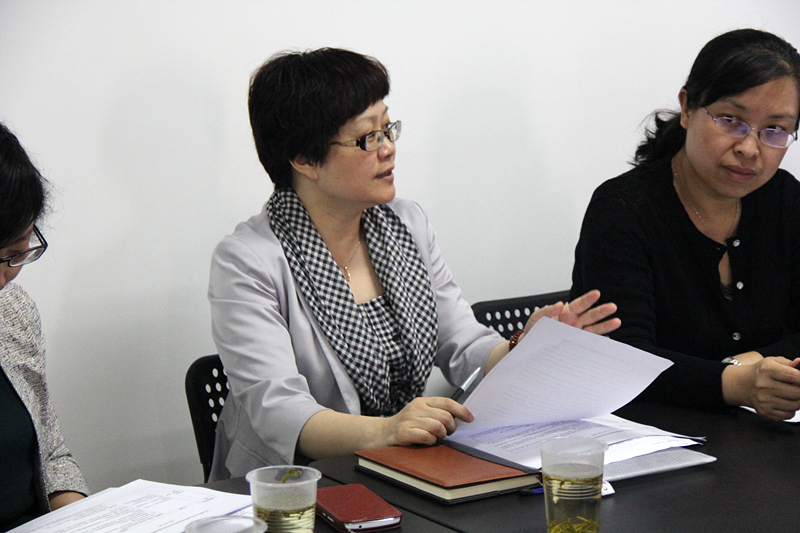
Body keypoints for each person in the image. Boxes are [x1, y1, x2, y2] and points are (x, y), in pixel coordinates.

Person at [208, 47, 620, 480]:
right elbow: (279, 411)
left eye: (388, 129)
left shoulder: (405, 224)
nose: (388, 149)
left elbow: (462, 343)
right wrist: (387, 430)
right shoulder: (248, 261)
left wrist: (524, 348)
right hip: (290, 486)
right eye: (367, 138)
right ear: (304, 159)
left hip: (400, 466)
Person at [571, 29, 800, 421]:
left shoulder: (784, 199)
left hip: (761, 436)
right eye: (730, 120)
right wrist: (737, 383)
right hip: (648, 434)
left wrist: (742, 364)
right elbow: (622, 359)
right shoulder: (623, 208)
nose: (749, 148)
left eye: (775, 130)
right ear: (688, 108)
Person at [0, 122, 88, 531]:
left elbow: (51, 455)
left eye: (15, 254)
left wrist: (85, 519)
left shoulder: (12, 310)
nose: (3, 279)